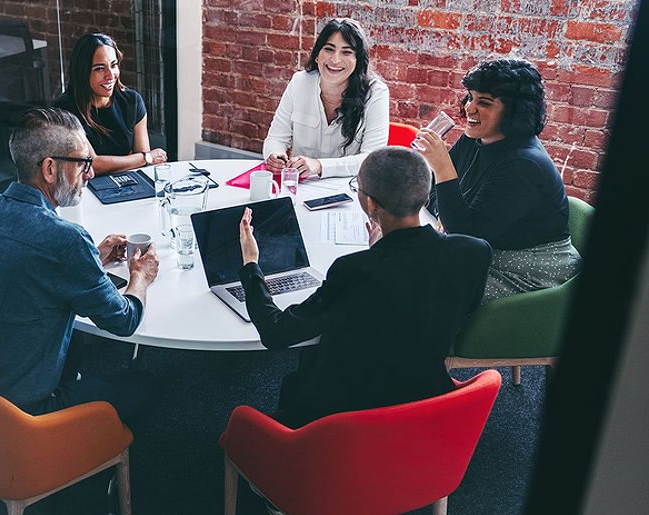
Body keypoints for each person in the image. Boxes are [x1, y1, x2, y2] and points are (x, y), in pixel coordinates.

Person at [236, 147, 491, 428]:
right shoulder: (474, 252)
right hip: (426, 402)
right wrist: (381, 250)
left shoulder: (355, 270)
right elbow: (422, 294)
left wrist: (251, 265)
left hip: (345, 419)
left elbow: (275, 332)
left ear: (371, 204)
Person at [0, 108, 160, 419]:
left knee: (75, 347)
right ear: (49, 169)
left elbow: (24, 267)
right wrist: (140, 276)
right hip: (22, 412)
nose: (90, 173)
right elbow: (124, 321)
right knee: (149, 387)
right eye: (83, 163)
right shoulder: (66, 240)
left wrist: (94, 258)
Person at [415, 58, 576, 303]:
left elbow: (465, 235)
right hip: (487, 249)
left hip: (530, 271)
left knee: (425, 283)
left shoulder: (525, 164)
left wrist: (442, 167)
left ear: (514, 111)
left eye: (484, 102)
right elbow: (434, 194)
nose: (469, 108)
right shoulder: (475, 138)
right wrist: (445, 211)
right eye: (470, 97)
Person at [262, 18, 389, 180]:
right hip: (301, 185)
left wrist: (319, 166)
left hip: (349, 190)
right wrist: (275, 156)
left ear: (358, 61)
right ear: (317, 55)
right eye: (329, 49)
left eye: (346, 52)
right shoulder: (299, 82)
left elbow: (372, 159)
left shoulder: (375, 93)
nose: (335, 60)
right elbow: (276, 138)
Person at [54, 33, 167, 175]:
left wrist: (140, 158)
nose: (110, 75)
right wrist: (145, 157)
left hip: (127, 181)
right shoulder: (65, 110)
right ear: (83, 72)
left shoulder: (132, 101)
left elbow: (143, 166)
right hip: (85, 187)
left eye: (113, 65)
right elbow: (92, 165)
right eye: (100, 68)